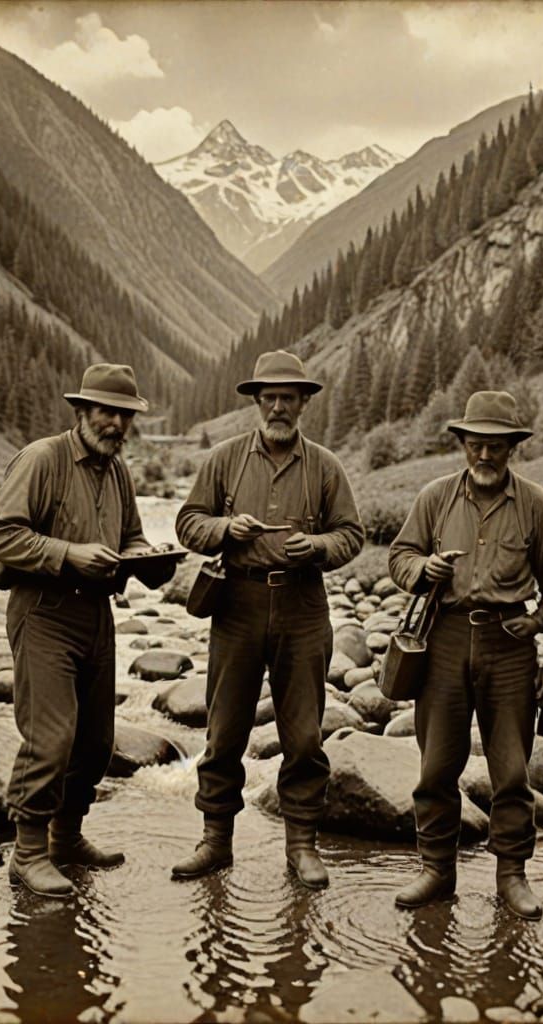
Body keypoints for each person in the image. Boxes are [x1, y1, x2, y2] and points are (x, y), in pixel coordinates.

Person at [0, 363, 175, 898]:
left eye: (124, 415)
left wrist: (148, 557)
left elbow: (132, 535)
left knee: (94, 742)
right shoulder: (42, 459)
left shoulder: (118, 472)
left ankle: (66, 837)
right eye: (106, 412)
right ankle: (27, 854)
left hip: (96, 616)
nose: (115, 424)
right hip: (42, 611)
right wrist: (69, 554)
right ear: (81, 412)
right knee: (51, 738)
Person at [173, 350, 364, 889]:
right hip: (236, 606)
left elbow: (352, 535)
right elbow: (188, 523)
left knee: (304, 735)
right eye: (270, 398)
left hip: (303, 608)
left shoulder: (326, 466)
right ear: (257, 402)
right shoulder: (225, 459)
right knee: (225, 728)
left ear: (303, 403)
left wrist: (318, 547)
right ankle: (215, 841)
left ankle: (301, 846)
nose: (279, 407)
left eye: (288, 398)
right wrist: (225, 530)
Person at [388, 391, 543, 917]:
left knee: (512, 770)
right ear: (463, 444)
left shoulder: (538, 504)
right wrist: (425, 572)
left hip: (509, 647)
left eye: (496, 446)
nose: (484, 456)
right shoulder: (435, 497)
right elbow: (399, 557)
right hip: (442, 639)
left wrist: (536, 623)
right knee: (437, 765)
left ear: (512, 447)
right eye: (475, 445)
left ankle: (511, 876)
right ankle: (436, 872)